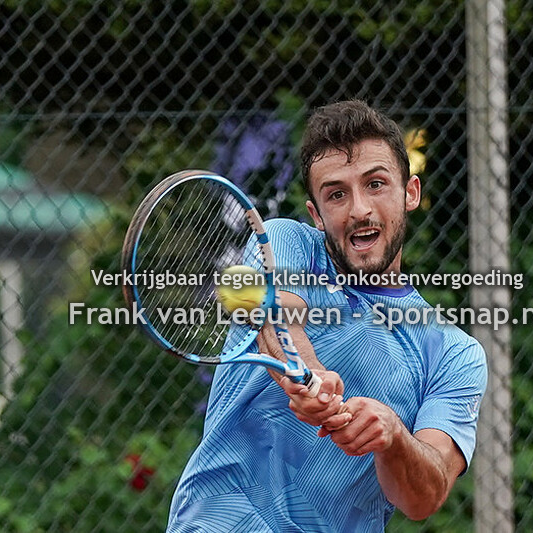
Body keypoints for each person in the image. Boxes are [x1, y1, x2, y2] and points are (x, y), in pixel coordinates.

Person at [167, 100, 488, 532]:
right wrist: (309, 374)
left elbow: (425, 495)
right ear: (316, 214)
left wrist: (392, 437)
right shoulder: (282, 241)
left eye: (376, 184)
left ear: (410, 193)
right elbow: (279, 317)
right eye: (337, 194)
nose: (359, 209)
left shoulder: (453, 353)